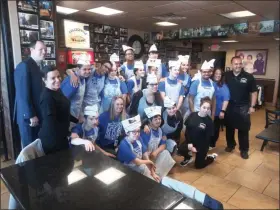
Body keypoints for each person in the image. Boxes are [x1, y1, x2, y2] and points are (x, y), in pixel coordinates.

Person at [117, 114, 224, 210]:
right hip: (131, 174)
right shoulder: (124, 145)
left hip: (143, 168)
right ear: (127, 133)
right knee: (156, 184)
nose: (136, 134)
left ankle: (205, 200)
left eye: (137, 131)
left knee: (166, 179)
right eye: (134, 132)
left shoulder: (139, 139)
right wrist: (150, 167)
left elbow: (145, 155)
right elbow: (137, 162)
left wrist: (153, 172)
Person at [38, 66, 78, 155]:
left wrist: (77, 120)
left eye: (58, 76)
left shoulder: (57, 90)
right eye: (53, 78)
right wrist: (69, 134)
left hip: (61, 136)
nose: (58, 80)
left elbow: (63, 111)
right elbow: (51, 123)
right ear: (44, 80)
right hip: (52, 140)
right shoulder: (47, 97)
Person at [14, 40, 46, 147]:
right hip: (29, 118)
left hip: (37, 114)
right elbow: (22, 93)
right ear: (32, 50)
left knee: (37, 147)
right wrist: (30, 115)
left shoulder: (37, 66)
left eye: (45, 49)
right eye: (40, 49)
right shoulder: (24, 66)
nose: (44, 52)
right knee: (30, 150)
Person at [224, 56, 257, 159]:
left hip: (243, 106)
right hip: (229, 106)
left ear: (242, 64)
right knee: (229, 128)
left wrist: (252, 106)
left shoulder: (249, 77)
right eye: (235, 64)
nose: (237, 66)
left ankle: (244, 150)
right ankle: (230, 145)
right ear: (231, 65)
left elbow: (254, 92)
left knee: (243, 129)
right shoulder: (226, 75)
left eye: (239, 64)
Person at [140, 106, 176, 178]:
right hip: (145, 158)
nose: (158, 121)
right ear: (150, 121)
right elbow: (143, 152)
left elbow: (163, 145)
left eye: (159, 119)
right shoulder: (146, 132)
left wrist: (156, 152)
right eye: (155, 119)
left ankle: (157, 174)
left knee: (165, 152)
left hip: (154, 155)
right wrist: (150, 156)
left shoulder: (160, 130)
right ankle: (153, 174)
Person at [185, 97, 218, 169]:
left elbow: (207, 139)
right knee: (180, 149)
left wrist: (198, 148)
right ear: (200, 106)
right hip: (190, 141)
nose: (206, 110)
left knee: (199, 166)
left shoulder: (209, 122)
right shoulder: (192, 115)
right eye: (204, 107)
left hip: (202, 144)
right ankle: (187, 157)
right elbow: (187, 131)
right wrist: (190, 143)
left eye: (208, 108)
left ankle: (211, 157)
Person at [210, 68, 230, 149]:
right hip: (207, 110)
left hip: (217, 111)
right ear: (213, 74)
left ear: (222, 76)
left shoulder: (223, 86)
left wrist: (223, 111)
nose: (218, 75)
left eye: (220, 74)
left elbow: (226, 99)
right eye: (216, 73)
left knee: (214, 128)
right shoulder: (210, 83)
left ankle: (212, 144)